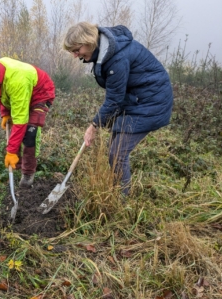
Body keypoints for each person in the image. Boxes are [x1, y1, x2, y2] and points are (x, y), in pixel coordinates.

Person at [63, 22, 173, 195]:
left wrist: (93, 126)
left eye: (77, 50)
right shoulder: (105, 52)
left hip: (151, 102)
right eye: (73, 52)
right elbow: (116, 94)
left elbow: (114, 99)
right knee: (114, 150)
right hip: (135, 100)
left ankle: (122, 201)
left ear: (89, 41)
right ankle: (116, 190)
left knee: (118, 153)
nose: (75, 55)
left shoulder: (116, 58)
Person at [0, 56, 56, 188]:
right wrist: (5, 113)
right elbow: (0, 93)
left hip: (40, 93)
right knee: (16, 131)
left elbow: (21, 121)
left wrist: (10, 151)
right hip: (21, 91)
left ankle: (28, 174)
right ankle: (16, 166)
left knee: (30, 133)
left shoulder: (16, 81)